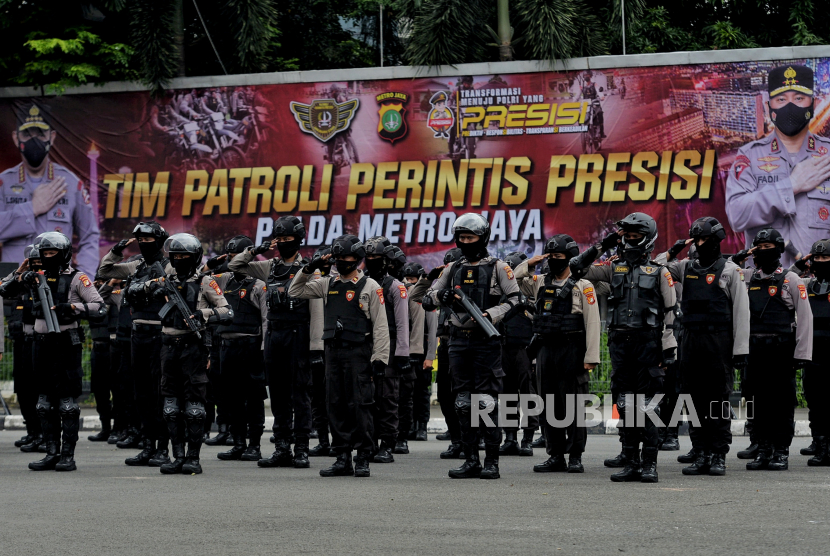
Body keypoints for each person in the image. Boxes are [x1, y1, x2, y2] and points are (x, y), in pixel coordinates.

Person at [577, 212, 677, 483]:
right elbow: (578, 269)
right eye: (627, 236)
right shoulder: (613, 268)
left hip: (649, 345)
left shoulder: (660, 271)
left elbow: (671, 313)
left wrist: (668, 351)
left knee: (648, 407)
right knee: (625, 404)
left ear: (648, 239)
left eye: (636, 236)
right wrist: (605, 243)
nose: (631, 241)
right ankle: (630, 461)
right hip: (621, 345)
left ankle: (649, 465)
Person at [424, 213, 520, 480]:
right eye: (462, 237)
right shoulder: (452, 267)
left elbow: (515, 299)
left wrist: (491, 315)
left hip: (486, 342)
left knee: (486, 403)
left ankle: (491, 462)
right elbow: (428, 298)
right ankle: (470, 460)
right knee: (463, 403)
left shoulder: (499, 267)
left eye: (471, 237)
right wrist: (440, 296)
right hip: (457, 342)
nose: (466, 242)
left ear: (483, 237)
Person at [288, 234, 390, 478]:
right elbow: (295, 291)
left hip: (359, 353)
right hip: (333, 353)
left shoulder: (370, 287)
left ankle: (363, 457)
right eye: (339, 258)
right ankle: (342, 457)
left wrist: (380, 359)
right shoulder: (327, 284)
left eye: (347, 257)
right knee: (335, 405)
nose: (342, 261)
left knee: (361, 406)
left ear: (357, 259)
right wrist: (310, 267)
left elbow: (381, 326)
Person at [664, 217, 750, 476]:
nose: (701, 244)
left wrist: (741, 351)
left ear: (717, 240)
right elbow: (655, 268)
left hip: (718, 342)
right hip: (691, 341)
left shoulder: (730, 270)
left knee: (716, 401)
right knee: (693, 400)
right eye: (697, 240)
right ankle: (700, 453)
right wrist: (674, 249)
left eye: (706, 240)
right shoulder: (685, 266)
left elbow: (741, 312)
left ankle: (718, 455)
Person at [140, 233, 231, 475]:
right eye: (175, 255)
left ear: (194, 258)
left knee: (194, 407)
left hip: (193, 346)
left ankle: (193, 458)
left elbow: (227, 311)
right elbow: (133, 291)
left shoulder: (205, 282)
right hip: (168, 345)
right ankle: (176, 456)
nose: (179, 260)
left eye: (184, 256)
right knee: (170, 405)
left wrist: (204, 315)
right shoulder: (162, 278)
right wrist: (153, 292)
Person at [228, 216, 315, 469]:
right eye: (280, 240)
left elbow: (317, 309)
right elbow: (235, 266)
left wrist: (316, 347)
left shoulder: (309, 268)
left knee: (300, 394)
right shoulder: (269, 267)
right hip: (274, 335)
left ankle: (301, 449)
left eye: (289, 239)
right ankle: (281, 448)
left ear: (299, 240)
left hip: (299, 334)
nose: (284, 244)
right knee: (277, 394)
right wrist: (257, 250)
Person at [725, 65, 830, 268]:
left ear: (813, 105)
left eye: (799, 98)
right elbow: (737, 216)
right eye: (781, 100)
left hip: (818, 287)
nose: (790, 106)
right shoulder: (750, 155)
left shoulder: (828, 155)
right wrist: (790, 186)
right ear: (768, 108)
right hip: (763, 287)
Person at [22, 232, 105, 471]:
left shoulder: (78, 278)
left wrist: (72, 307)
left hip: (66, 344)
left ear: (64, 254)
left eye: (52, 253)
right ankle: (51, 452)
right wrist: (21, 275)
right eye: (45, 253)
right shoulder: (35, 278)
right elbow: (6, 289)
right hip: (40, 344)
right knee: (44, 402)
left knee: (67, 404)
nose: (48, 257)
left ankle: (67, 455)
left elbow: (99, 307)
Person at [518, 236, 601, 473]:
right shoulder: (540, 281)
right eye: (551, 256)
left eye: (559, 257)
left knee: (573, 405)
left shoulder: (583, 285)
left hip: (572, 349)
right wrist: (531, 263)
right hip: (545, 349)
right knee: (549, 404)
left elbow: (592, 322)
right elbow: (515, 278)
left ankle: (575, 455)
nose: (554, 261)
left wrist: (590, 357)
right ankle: (555, 455)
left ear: (571, 258)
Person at [98, 221, 173, 467]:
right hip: (136, 334)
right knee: (140, 393)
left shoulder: (170, 266)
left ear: (160, 240)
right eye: (140, 239)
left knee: (160, 393)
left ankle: (163, 447)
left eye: (149, 239)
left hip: (160, 334)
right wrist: (117, 250)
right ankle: (147, 445)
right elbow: (105, 271)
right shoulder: (136, 265)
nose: (143, 243)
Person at [0, 105, 100, 276]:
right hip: (14, 282)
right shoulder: (3, 182)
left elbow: (90, 236)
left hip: (57, 283)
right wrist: (31, 208)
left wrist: (84, 279)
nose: (34, 139)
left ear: (51, 137)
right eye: (27, 134)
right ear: (16, 138)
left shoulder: (71, 183)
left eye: (40, 133)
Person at [743, 228, 812, 471]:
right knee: (758, 402)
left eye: (767, 246)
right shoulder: (749, 277)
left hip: (782, 352)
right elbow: (726, 269)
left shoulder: (791, 279)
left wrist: (802, 354)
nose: (763, 251)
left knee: (781, 403)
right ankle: (762, 449)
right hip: (755, 351)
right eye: (759, 247)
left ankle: (780, 451)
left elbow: (805, 318)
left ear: (779, 249)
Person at [210, 236, 268, 462]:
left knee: (253, 398)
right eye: (231, 256)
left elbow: (266, 320)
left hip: (251, 347)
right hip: (227, 347)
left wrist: (264, 350)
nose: (233, 260)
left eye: (237, 255)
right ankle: (238, 443)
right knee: (231, 398)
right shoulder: (224, 281)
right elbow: (202, 279)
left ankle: (254, 445)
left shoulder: (258, 285)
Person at [412, 248, 465, 459]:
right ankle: (456, 440)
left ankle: (472, 440)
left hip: (469, 344)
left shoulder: (475, 285)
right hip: (446, 344)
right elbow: (416, 296)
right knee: (444, 394)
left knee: (468, 395)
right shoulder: (441, 290)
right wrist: (430, 278)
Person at [362, 237, 410, 463]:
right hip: (364, 343)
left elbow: (402, 323)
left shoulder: (395, 286)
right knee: (365, 397)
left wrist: (402, 354)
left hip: (389, 345)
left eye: (376, 258)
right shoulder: (360, 281)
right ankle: (368, 442)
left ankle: (387, 444)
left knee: (387, 397)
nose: (372, 261)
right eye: (368, 257)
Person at [497, 251, 540, 457]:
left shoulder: (530, 288)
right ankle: (510, 438)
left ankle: (528, 439)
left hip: (526, 350)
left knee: (529, 396)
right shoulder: (500, 294)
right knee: (507, 396)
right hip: (505, 349)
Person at [1, 245, 41, 452]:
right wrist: (19, 273)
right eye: (33, 261)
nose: (36, 265)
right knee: (24, 389)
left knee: (40, 389)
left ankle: (44, 434)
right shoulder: (22, 281)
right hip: (22, 342)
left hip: (42, 341)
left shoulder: (55, 279)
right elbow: (2, 288)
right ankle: (32, 432)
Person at [795, 239, 830, 466]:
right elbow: (786, 280)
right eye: (816, 258)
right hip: (813, 352)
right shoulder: (808, 285)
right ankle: (820, 443)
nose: (820, 262)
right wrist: (801, 264)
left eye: (825, 258)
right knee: (815, 400)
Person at [397, 262, 438, 455]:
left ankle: (422, 427)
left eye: (413, 279)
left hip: (422, 350)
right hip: (407, 349)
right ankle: (411, 426)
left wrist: (430, 357)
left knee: (422, 391)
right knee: (407, 392)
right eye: (407, 279)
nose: (409, 283)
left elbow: (433, 331)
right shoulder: (402, 296)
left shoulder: (427, 297)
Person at [86, 275, 123, 442]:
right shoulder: (93, 300)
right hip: (98, 348)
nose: (103, 284)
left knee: (118, 389)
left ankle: (119, 428)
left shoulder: (118, 297)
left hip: (114, 348)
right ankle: (105, 428)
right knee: (99, 390)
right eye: (100, 281)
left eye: (106, 281)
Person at [307, 247, 334, 457]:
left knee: (336, 397)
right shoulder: (310, 280)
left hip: (336, 345)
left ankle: (340, 441)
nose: (326, 262)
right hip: (314, 345)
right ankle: (323, 441)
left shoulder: (342, 279)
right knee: (317, 397)